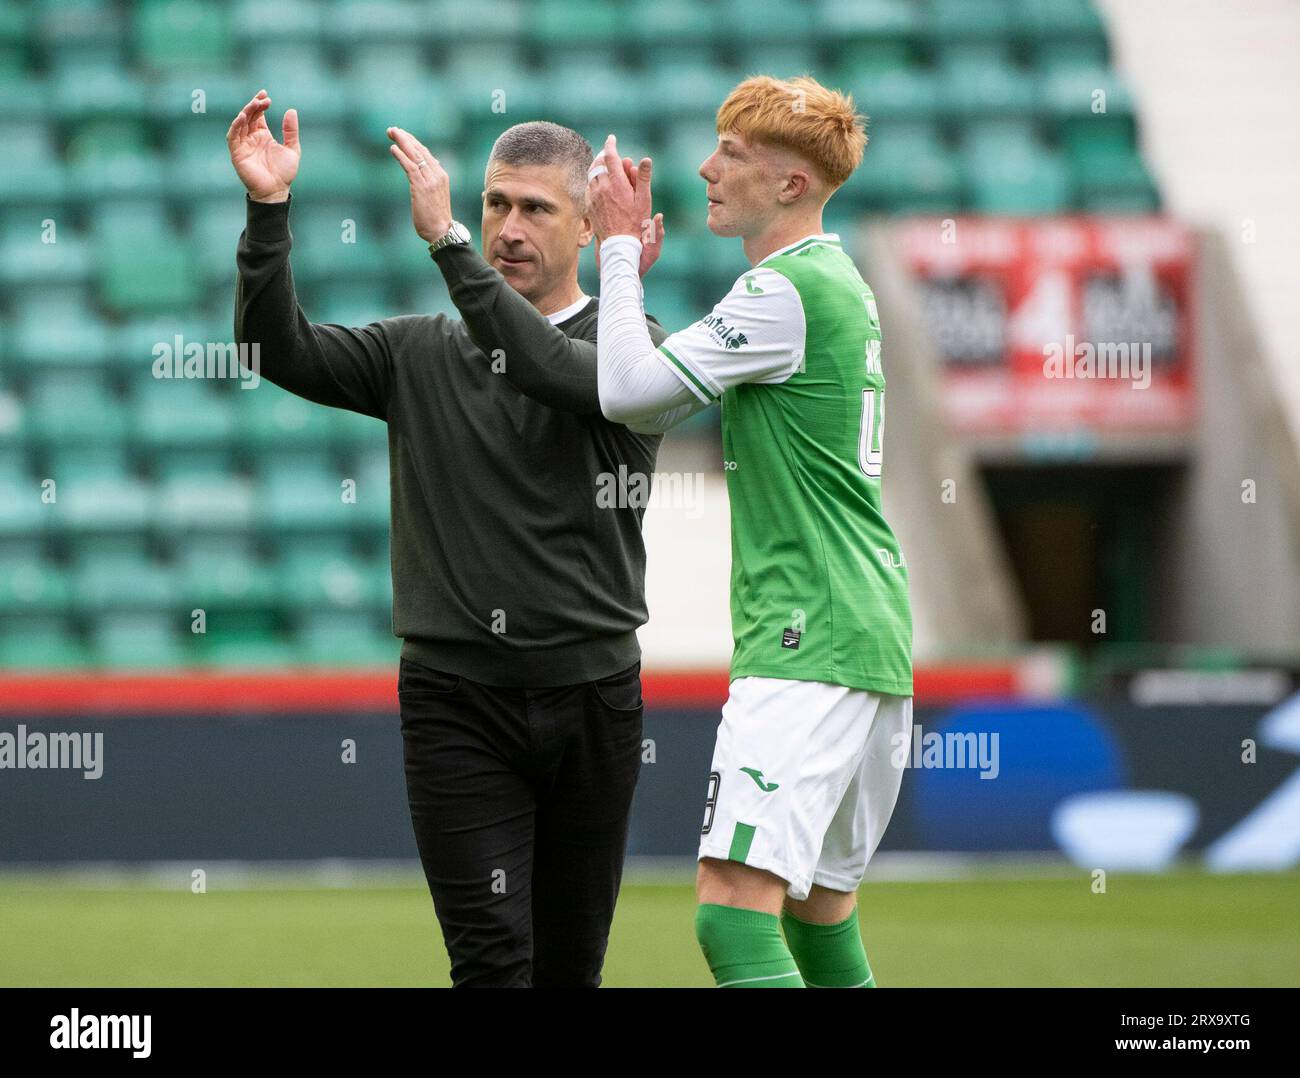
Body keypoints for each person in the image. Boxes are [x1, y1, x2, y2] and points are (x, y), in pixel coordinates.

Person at [227, 89, 667, 987]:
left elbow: (544, 368)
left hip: (593, 702)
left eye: (536, 209)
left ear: (587, 228)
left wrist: (446, 245)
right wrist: (268, 212)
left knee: (568, 968)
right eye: (493, 204)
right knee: (493, 965)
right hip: (456, 703)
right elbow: (276, 350)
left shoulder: (633, 356)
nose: (507, 226)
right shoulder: (418, 349)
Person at [585, 75, 914, 988]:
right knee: (818, 919)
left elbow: (627, 395)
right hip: (868, 637)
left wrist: (614, 254)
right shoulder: (835, 280)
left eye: (731, 155)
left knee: (732, 915)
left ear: (791, 185)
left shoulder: (785, 289)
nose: (705, 168)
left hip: (807, 641)